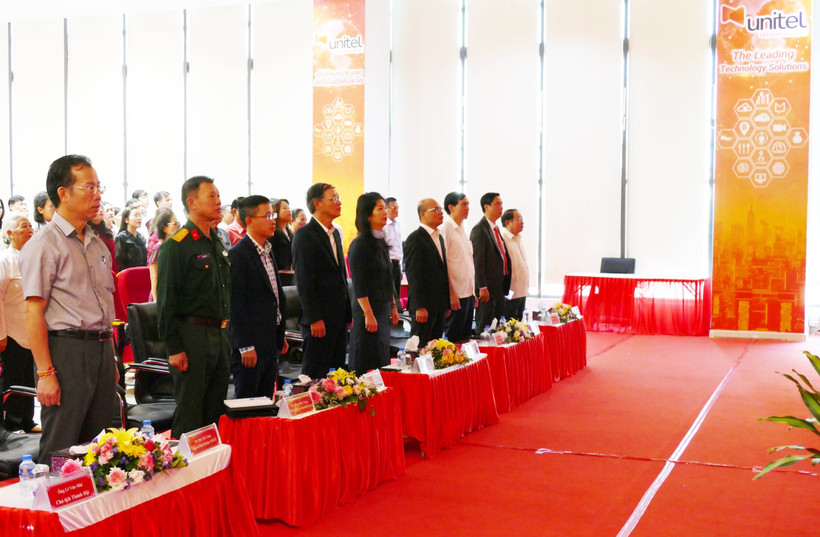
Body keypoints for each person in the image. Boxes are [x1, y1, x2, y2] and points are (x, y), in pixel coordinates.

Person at [20, 154, 117, 463]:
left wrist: (111, 357)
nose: (98, 195)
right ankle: (49, 509)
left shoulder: (97, 242)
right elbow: (33, 313)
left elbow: (104, 308)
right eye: (89, 187)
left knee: (101, 446)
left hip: (101, 350)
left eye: (99, 187)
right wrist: (45, 372)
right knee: (62, 445)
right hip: (67, 352)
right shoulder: (44, 244)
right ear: (63, 193)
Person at [157, 176, 231, 439]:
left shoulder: (216, 240)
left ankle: (211, 472)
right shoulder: (177, 245)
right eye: (211, 196)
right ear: (191, 202)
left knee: (215, 409)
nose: (218, 201)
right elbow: (166, 302)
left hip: (220, 335)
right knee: (191, 412)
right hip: (192, 336)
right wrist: (174, 348)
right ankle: (186, 473)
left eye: (218, 195)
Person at [229, 195, 287, 398]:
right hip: (250, 344)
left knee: (265, 400)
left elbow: (275, 296)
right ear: (250, 221)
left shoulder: (268, 250)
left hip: (270, 338)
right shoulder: (238, 254)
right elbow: (236, 305)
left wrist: (281, 333)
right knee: (248, 402)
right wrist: (244, 346)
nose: (273, 220)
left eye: (274, 215)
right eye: (268, 215)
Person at [292, 183, 351, 379]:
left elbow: (340, 275)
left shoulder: (334, 232)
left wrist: (347, 312)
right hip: (319, 319)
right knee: (315, 374)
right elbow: (305, 281)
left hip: (338, 316)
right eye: (333, 198)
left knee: (337, 375)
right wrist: (314, 318)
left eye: (338, 197)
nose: (339, 202)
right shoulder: (305, 235)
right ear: (317, 203)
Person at [347, 193, 399, 374]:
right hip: (367, 310)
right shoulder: (359, 244)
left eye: (385, 207)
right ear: (368, 215)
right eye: (380, 208)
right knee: (366, 358)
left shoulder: (381, 242)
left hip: (382, 308)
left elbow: (388, 278)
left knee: (381, 357)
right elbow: (359, 282)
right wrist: (368, 313)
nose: (385, 212)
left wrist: (393, 306)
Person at [0, 213, 37, 432]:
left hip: (31, 329)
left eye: (31, 226)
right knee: (14, 377)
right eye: (24, 226)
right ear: (10, 233)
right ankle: (13, 423)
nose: (30, 230)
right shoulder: (5, 261)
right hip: (11, 331)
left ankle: (28, 420)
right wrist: (1, 334)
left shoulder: (34, 259)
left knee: (28, 377)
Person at [404, 198, 450, 345]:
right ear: (423, 214)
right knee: (420, 347)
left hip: (439, 304)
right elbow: (413, 274)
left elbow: (442, 272)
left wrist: (446, 303)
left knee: (435, 348)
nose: (440, 213)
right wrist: (419, 306)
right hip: (424, 306)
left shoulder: (439, 237)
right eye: (435, 210)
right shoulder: (415, 238)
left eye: (441, 209)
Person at [470, 192, 511, 335]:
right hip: (487, 288)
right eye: (497, 204)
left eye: (501, 204)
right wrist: (482, 286)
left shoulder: (495, 228)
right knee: (485, 326)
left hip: (499, 286)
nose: (501, 207)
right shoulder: (479, 229)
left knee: (497, 326)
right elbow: (478, 260)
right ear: (486, 207)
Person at [440, 192, 477, 342]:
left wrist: (472, 291)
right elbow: (444, 264)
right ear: (451, 207)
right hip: (456, 294)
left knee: (466, 338)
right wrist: (451, 294)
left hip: (467, 292)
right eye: (463, 204)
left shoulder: (462, 229)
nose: (468, 208)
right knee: (454, 340)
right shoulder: (446, 229)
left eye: (468, 204)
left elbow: (467, 262)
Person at [501, 209, 529, 321]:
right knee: (509, 323)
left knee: (519, 325)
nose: (522, 222)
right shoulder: (503, 240)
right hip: (511, 291)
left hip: (522, 290)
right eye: (519, 219)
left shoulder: (518, 239)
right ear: (508, 222)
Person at [147, 208, 179, 300]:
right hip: (162, 296)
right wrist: (157, 303)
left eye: (179, 224)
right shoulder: (158, 249)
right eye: (175, 224)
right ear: (164, 228)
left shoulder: (176, 247)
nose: (178, 227)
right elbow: (154, 278)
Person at [270, 198, 295, 286]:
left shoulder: (291, 233)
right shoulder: (273, 233)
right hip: (279, 276)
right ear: (276, 212)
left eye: (289, 208)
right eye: (284, 208)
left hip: (292, 275)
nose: (289, 210)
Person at [115, 206, 148, 271]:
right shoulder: (121, 237)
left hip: (141, 273)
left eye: (140, 215)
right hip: (128, 275)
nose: (139, 218)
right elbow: (120, 262)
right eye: (135, 215)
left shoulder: (141, 237)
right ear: (126, 220)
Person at [383, 197, 404, 299]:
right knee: (390, 296)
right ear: (386, 208)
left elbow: (398, 246)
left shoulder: (397, 225)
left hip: (397, 264)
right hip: (388, 264)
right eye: (393, 207)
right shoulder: (383, 226)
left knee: (397, 297)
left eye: (397, 207)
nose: (397, 209)